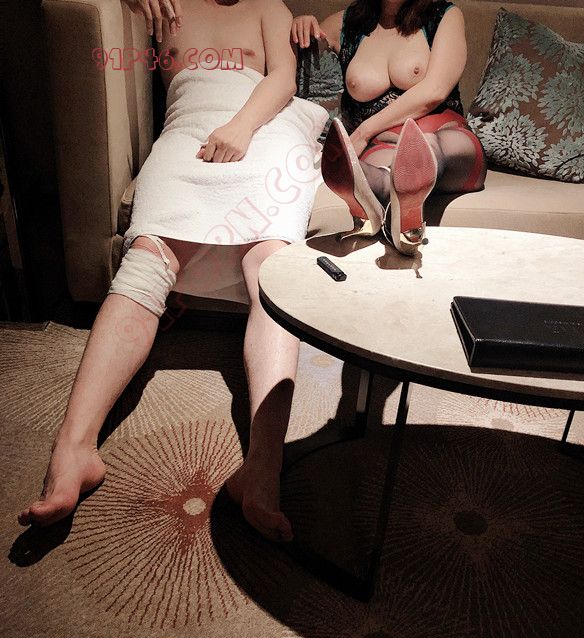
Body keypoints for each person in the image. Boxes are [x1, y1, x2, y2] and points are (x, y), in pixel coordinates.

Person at [18, 0, 327, 543]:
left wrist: (240, 128)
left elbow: (282, 78)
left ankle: (263, 468)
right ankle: (74, 450)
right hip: (188, 132)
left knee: (269, 264)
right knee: (147, 258)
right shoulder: (165, 3)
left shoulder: (269, 6)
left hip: (263, 129)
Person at [291, 0, 487, 254]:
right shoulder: (346, 23)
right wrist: (303, 24)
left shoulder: (443, 15)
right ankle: (391, 198)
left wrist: (363, 133)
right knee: (383, 172)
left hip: (447, 138)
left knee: (426, 147)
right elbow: (302, 51)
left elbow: (435, 90)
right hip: (384, 146)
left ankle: (391, 190)